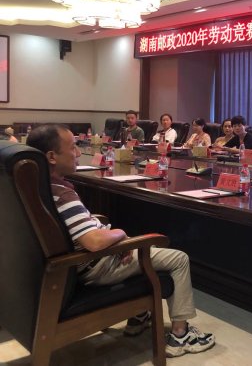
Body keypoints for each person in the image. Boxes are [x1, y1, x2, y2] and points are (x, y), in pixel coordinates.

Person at [26, 124, 215, 358]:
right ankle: (181, 335)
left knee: (142, 246)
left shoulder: (39, 186)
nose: (78, 152)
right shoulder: (62, 194)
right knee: (178, 258)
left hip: (88, 260)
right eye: (72, 147)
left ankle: (138, 317)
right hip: (98, 263)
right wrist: (121, 236)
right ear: (51, 157)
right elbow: (94, 242)